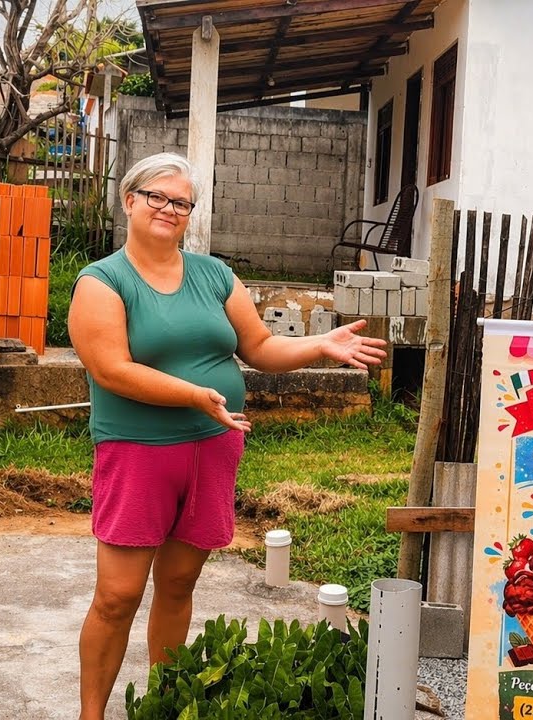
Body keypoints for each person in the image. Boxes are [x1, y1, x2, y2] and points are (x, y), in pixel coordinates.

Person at [68, 152, 388, 719]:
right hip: (138, 452)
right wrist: (196, 395)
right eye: (157, 197)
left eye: (181, 202)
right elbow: (111, 369)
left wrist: (320, 345)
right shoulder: (102, 282)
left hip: (213, 448)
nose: (169, 209)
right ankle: (90, 714)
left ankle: (164, 704)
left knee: (180, 582)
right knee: (117, 597)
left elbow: (259, 348)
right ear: (130, 200)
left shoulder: (215, 275)